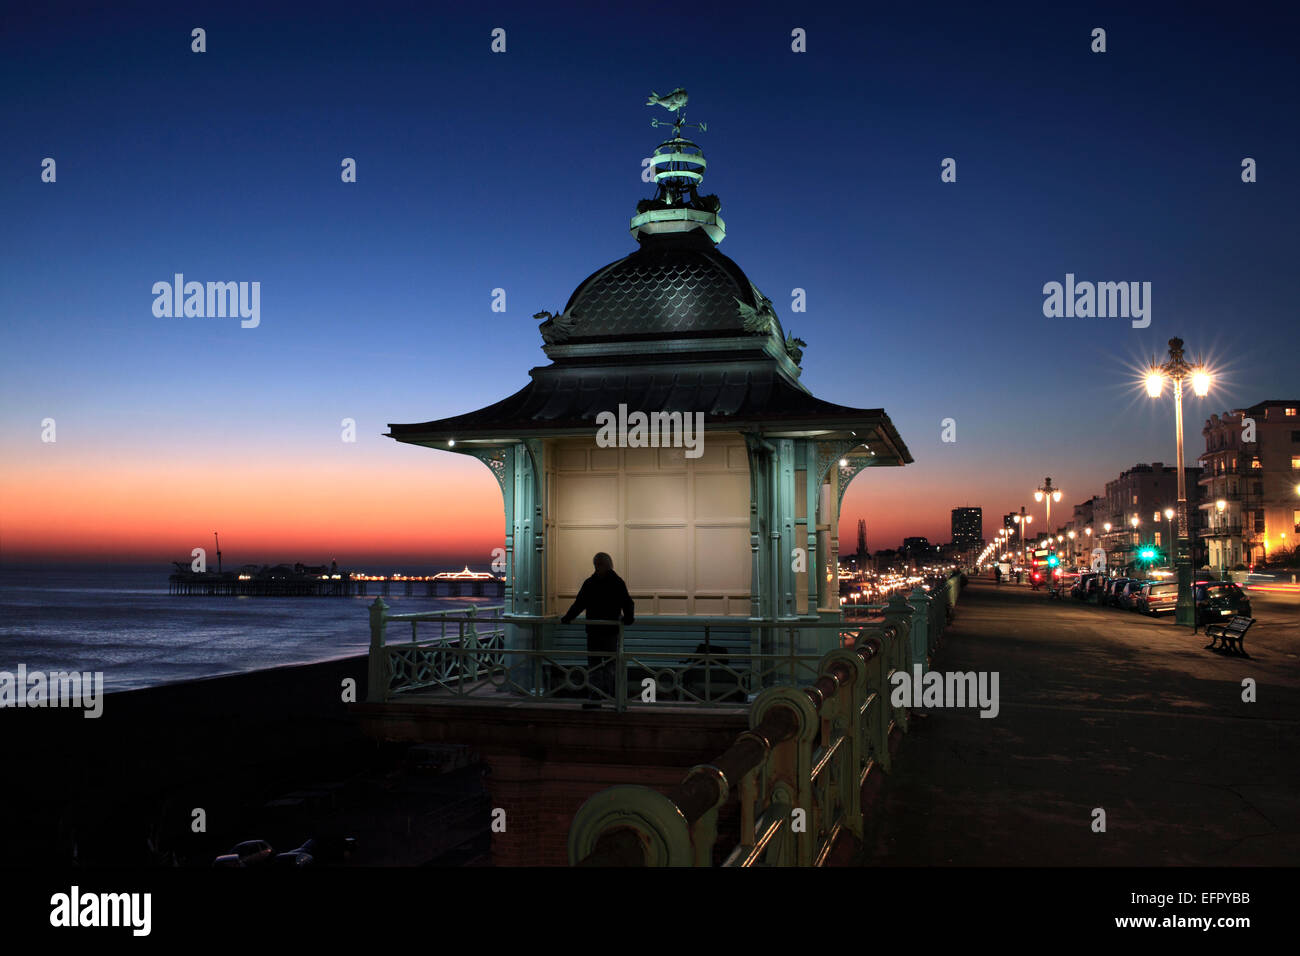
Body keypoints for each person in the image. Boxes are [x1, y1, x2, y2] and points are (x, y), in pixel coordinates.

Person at [560, 552, 635, 709]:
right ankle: (613, 699)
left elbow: (579, 603)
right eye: (597, 564)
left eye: (599, 564)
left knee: (597, 665)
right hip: (609, 630)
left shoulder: (590, 583)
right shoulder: (617, 582)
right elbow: (627, 603)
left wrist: (568, 617)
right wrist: (628, 619)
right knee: (608, 666)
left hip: (595, 631)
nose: (598, 567)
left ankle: (596, 698)